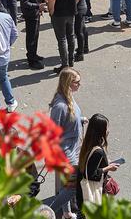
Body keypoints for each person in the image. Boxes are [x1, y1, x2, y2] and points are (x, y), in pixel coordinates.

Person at [49, 68, 83, 216]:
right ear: (68, 83)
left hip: (73, 149)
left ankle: (67, 213)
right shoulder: (60, 106)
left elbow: (70, 118)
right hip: (66, 153)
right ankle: (49, 211)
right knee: (71, 188)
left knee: (66, 186)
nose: (79, 84)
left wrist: (81, 120)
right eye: (77, 82)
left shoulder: (68, 97)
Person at [76, 114, 120, 209]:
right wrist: (109, 168)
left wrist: (106, 162)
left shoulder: (88, 143)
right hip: (90, 194)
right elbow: (91, 174)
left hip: (81, 192)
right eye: (106, 128)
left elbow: (89, 165)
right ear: (101, 131)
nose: (108, 131)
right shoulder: (98, 151)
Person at [46, 0, 80, 72]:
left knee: (62, 39)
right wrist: (72, 5)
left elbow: (51, 3)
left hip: (59, 15)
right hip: (71, 13)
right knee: (71, 36)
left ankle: (65, 64)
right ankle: (71, 60)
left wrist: (51, 13)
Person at [19, 0, 46, 70]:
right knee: (31, 37)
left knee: (35, 36)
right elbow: (25, 3)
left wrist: (43, 0)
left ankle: (33, 54)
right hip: (30, 15)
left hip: (36, 14)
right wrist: (38, 6)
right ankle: (31, 60)